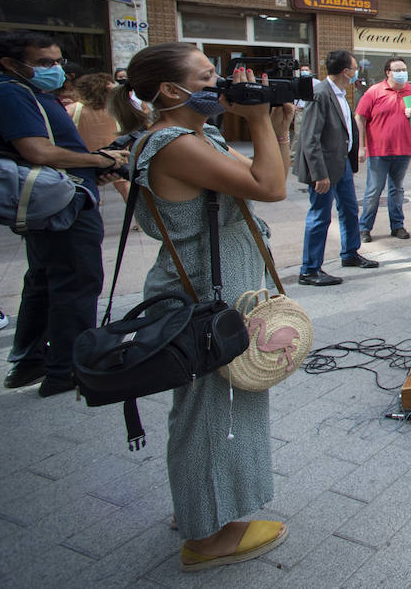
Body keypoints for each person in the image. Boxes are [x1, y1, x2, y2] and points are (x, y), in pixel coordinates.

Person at [112, 42, 293, 572]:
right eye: (209, 75)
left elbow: (261, 177)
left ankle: (200, 507)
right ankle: (208, 538)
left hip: (213, 288)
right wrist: (256, 118)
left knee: (214, 408)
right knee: (217, 413)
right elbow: (273, 187)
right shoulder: (172, 144)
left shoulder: (199, 134)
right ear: (171, 90)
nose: (223, 84)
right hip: (204, 296)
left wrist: (275, 124)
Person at [0, 31, 127, 396]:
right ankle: (68, 369)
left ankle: (31, 362)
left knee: (47, 281)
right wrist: (100, 159)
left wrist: (95, 168)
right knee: (76, 282)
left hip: (61, 199)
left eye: (58, 61)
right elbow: (38, 151)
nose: (57, 69)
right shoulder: (11, 92)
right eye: (45, 63)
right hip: (62, 207)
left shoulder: (29, 92)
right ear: (11, 64)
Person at [294, 50, 377, 286]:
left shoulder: (339, 92)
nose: (356, 72)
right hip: (324, 169)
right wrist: (319, 174)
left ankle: (350, 253)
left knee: (350, 210)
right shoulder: (320, 94)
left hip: (342, 167)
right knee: (320, 217)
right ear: (345, 72)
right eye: (354, 68)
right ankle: (309, 269)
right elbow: (310, 138)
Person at [355, 56, 411, 242]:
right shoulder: (374, 92)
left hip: (403, 151)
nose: (402, 73)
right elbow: (360, 118)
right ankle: (364, 228)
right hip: (378, 151)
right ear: (388, 72)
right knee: (374, 190)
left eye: (404, 70)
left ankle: (397, 226)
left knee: (397, 190)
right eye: (397, 70)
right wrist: (360, 147)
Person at [74, 72, 131, 201]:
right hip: (114, 154)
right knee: (124, 185)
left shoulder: (74, 109)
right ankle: (139, 219)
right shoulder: (115, 109)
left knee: (90, 187)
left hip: (89, 157)